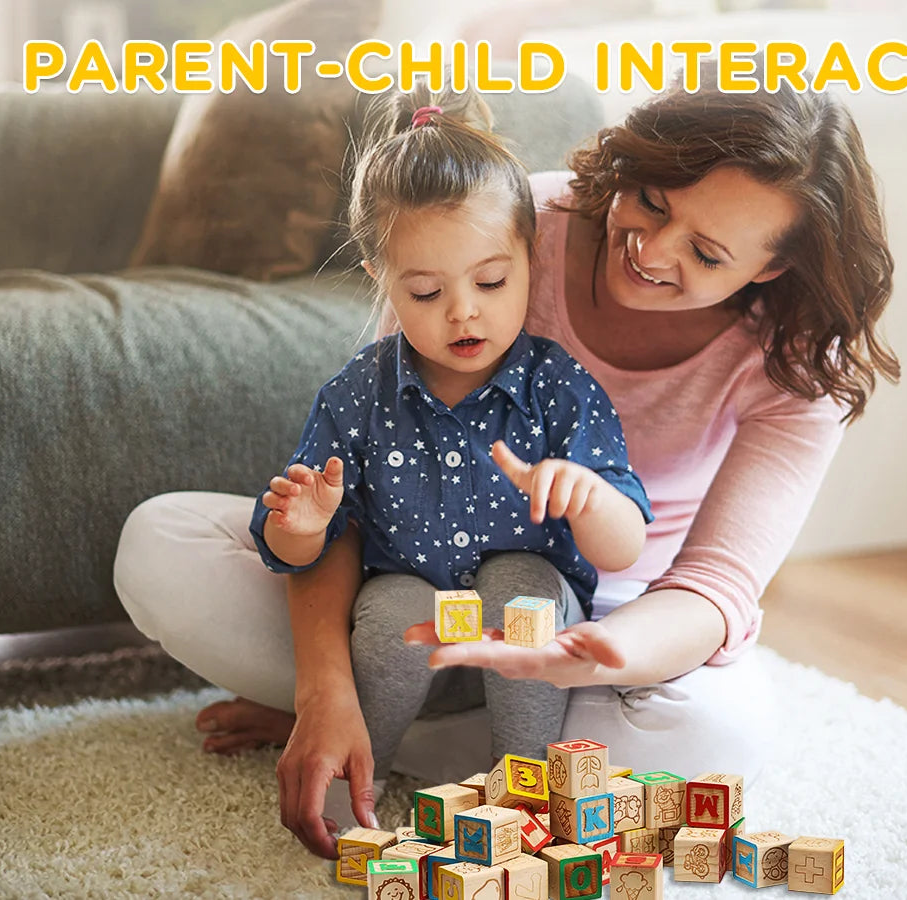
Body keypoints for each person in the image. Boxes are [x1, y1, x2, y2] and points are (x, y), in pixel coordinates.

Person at [113, 55, 899, 861]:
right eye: (652, 201)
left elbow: (713, 591)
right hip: (402, 584)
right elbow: (363, 486)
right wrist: (325, 687)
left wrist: (594, 656)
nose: (652, 251)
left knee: (711, 736)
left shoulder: (802, 365)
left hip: (600, 605)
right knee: (160, 543)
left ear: (772, 267)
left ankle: (437, 747)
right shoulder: (497, 226)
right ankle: (374, 718)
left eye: (706, 253)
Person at [249, 84, 651, 820]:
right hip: (413, 613)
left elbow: (624, 548)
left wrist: (588, 496)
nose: (464, 311)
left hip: (531, 634)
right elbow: (292, 553)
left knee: (521, 583)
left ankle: (523, 795)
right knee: (389, 612)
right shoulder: (358, 392)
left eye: (491, 281)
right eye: (427, 291)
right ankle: (359, 777)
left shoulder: (558, 387)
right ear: (383, 282)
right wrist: (302, 525)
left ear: (530, 259)